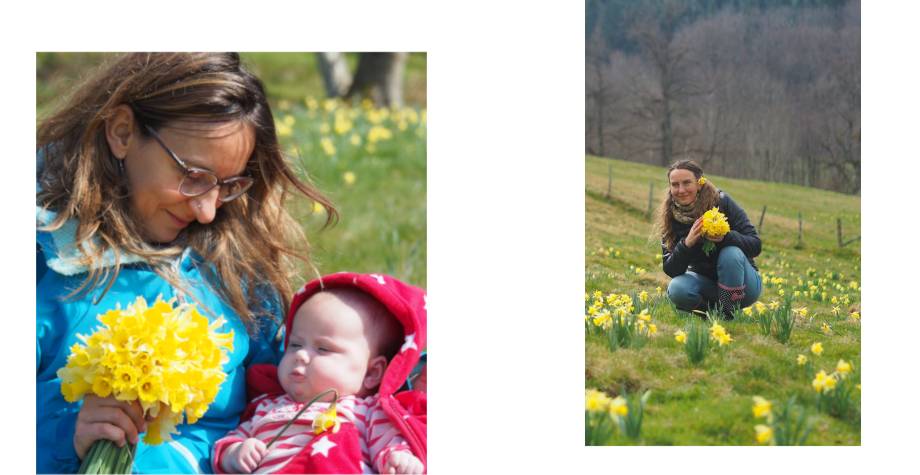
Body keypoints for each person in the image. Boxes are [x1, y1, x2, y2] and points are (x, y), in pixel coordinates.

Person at [37, 53, 337, 473]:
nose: (208, 211)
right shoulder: (43, 263)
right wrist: (63, 434)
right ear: (122, 133)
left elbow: (285, 392)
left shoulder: (234, 266)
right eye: (193, 175)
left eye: (228, 185)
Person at [212, 272, 427, 474]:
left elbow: (390, 444)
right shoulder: (268, 406)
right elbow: (228, 442)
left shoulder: (368, 413)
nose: (301, 356)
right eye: (295, 344)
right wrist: (234, 452)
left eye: (323, 349)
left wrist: (400, 459)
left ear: (372, 372)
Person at [655, 160, 763, 319]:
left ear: (699, 184)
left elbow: (755, 245)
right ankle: (712, 313)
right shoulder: (670, 217)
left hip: (744, 285)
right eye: (675, 185)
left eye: (686, 183)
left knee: (731, 253)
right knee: (677, 288)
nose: (681, 190)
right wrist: (686, 244)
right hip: (706, 284)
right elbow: (671, 269)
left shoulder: (721, 201)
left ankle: (728, 311)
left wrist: (725, 237)